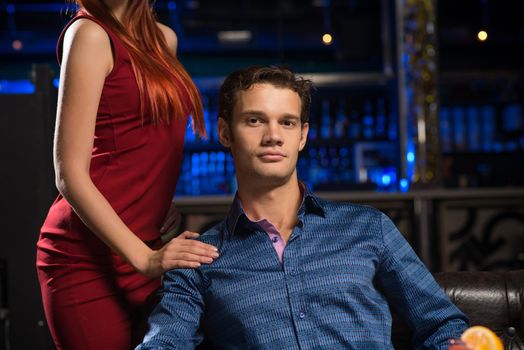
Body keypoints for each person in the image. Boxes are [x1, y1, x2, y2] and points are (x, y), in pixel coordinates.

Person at [137, 66, 469, 349]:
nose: (273, 136)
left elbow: (444, 326)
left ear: (302, 136)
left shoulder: (369, 228)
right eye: (255, 121)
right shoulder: (198, 260)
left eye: (288, 122)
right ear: (225, 133)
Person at [35, 1, 219, 349]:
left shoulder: (165, 40)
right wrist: (147, 258)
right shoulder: (89, 34)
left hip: (143, 244)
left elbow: (146, 142)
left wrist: (154, 201)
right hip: (86, 258)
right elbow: (68, 172)